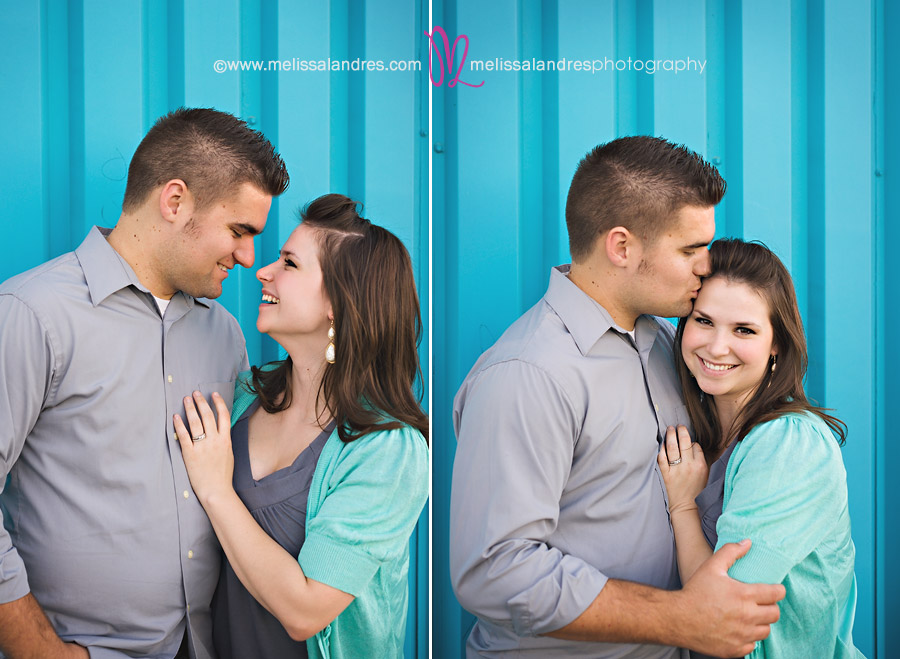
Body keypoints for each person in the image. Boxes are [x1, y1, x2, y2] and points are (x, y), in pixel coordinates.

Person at [450, 136, 786, 658]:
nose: (707, 265)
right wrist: (680, 619)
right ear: (622, 247)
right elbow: (494, 569)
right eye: (691, 249)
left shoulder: (675, 344)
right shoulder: (528, 373)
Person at [0, 107, 289, 659]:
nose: (251, 257)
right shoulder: (34, 314)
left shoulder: (224, 334)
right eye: (239, 230)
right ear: (175, 201)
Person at [173, 194, 429, 659]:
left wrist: (216, 490)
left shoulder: (388, 449)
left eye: (289, 264)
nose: (262, 271)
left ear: (338, 303)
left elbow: (306, 611)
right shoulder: (245, 395)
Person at [659, 238, 863, 658]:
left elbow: (721, 613)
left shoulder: (789, 444)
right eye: (704, 321)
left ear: (776, 346)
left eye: (744, 330)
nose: (717, 347)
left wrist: (682, 507)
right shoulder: (707, 433)